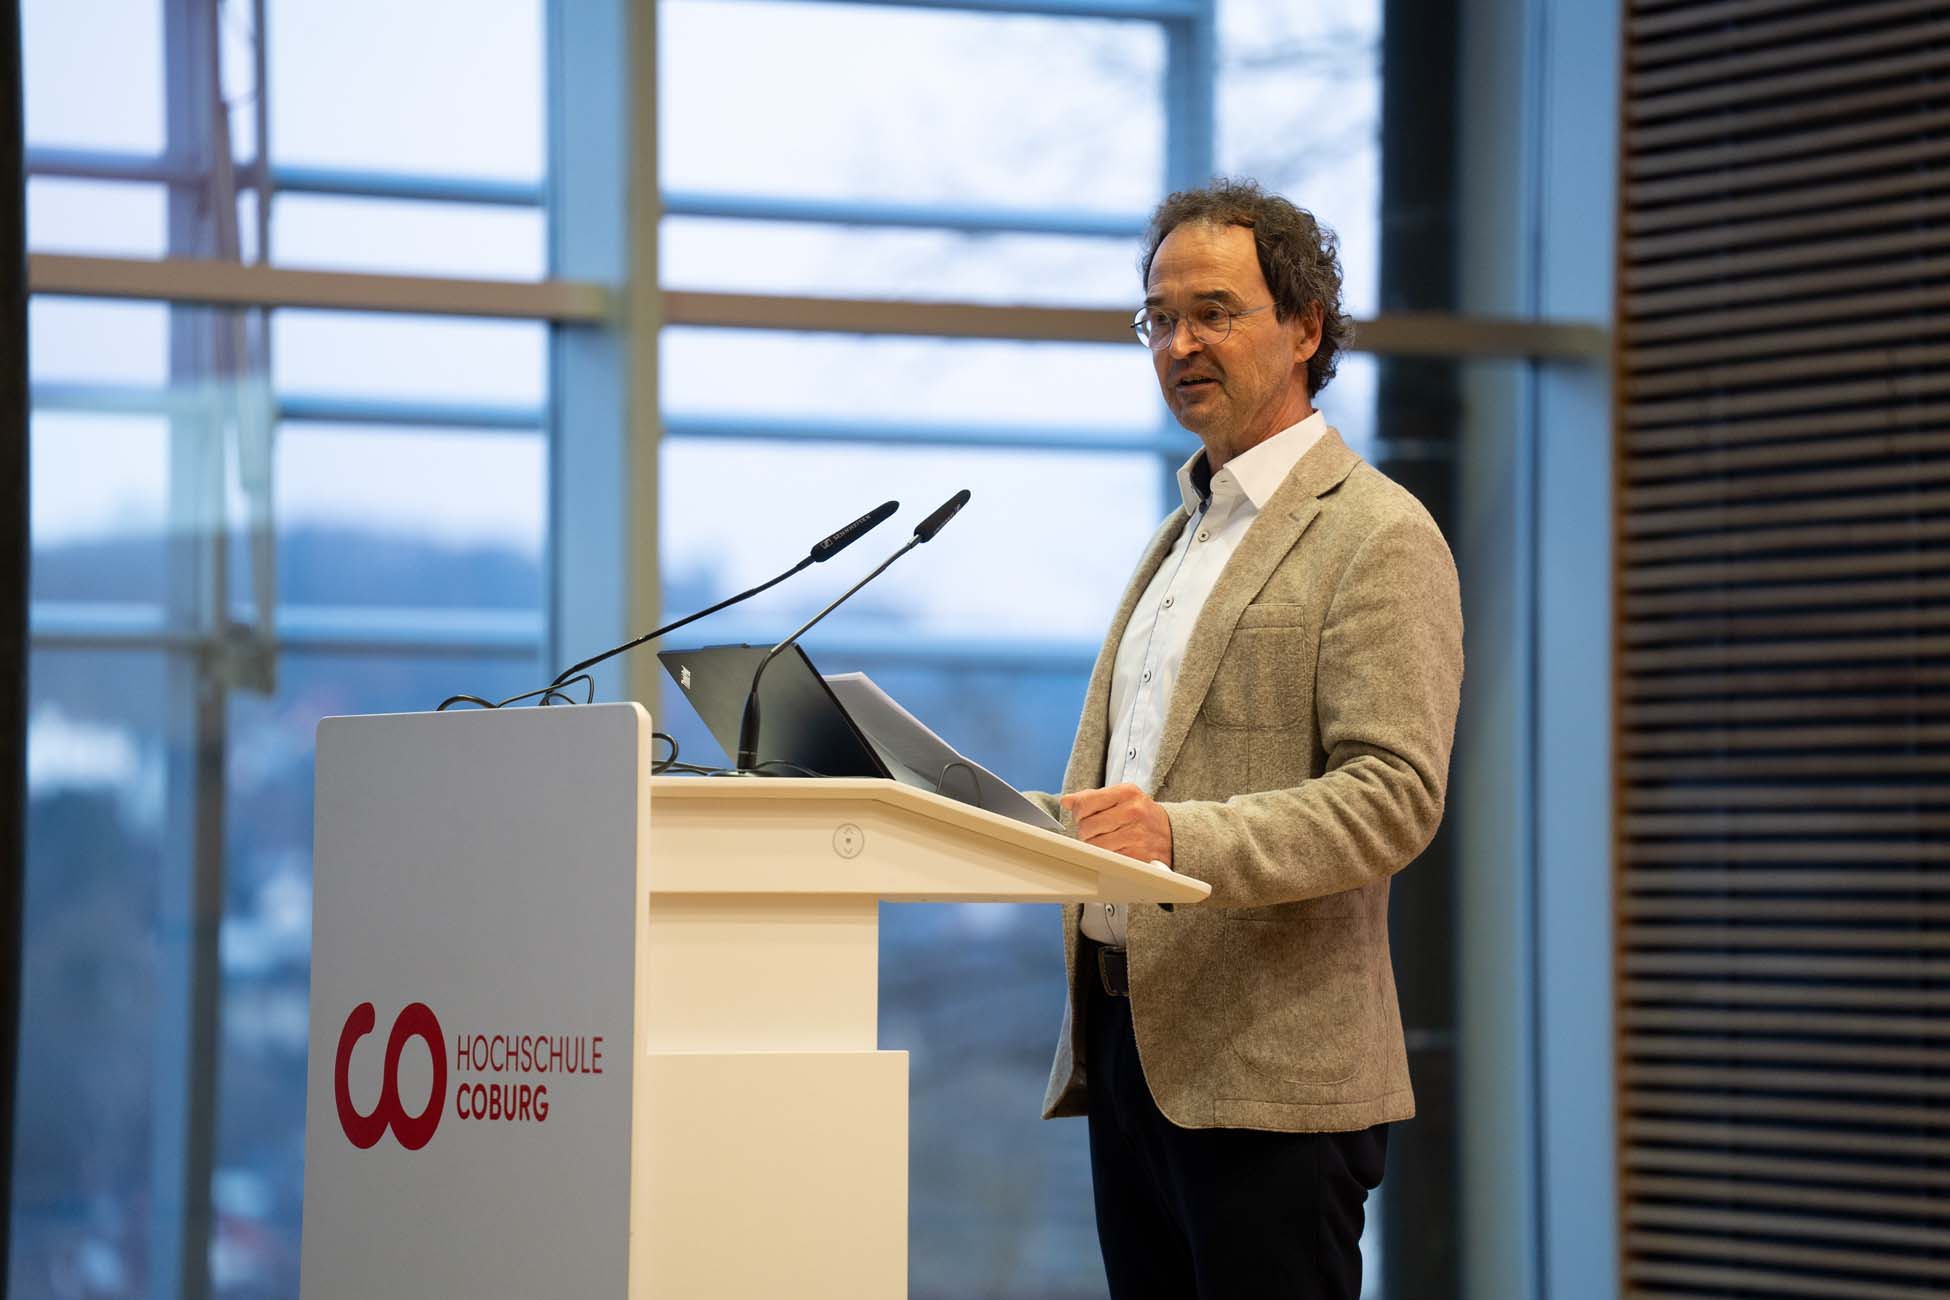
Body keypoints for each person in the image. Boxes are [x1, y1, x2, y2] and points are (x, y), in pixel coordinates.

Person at [1034, 179, 1464, 1300]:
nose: (1181, 343)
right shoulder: (1181, 534)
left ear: (1306, 327)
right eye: (1159, 317)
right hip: (1132, 1052)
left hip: (1273, 1074)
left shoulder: (1379, 535)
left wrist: (1180, 838)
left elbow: (1393, 794)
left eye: (1215, 311)